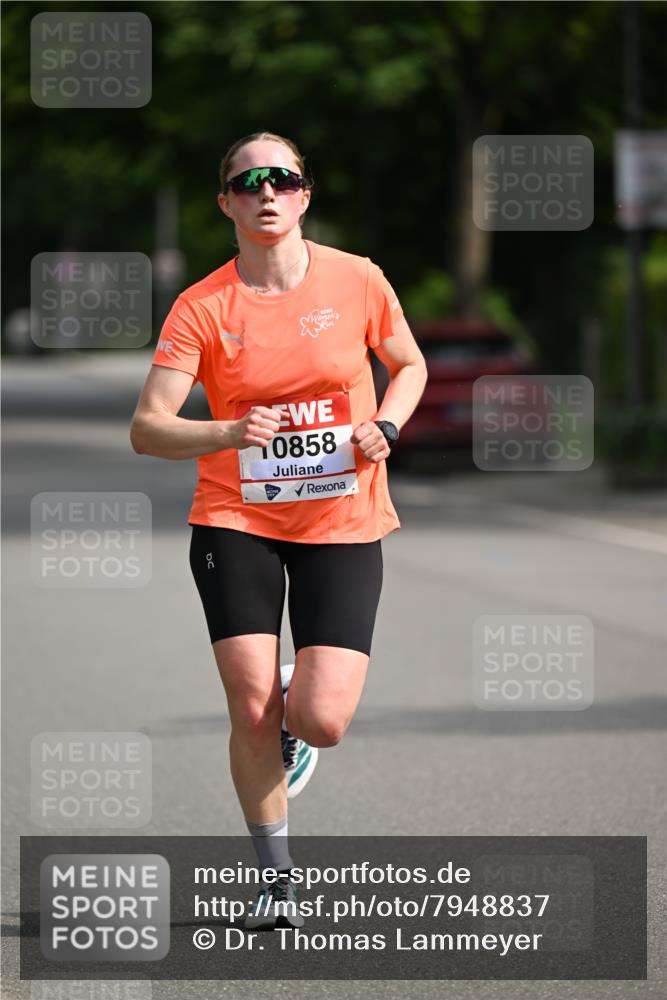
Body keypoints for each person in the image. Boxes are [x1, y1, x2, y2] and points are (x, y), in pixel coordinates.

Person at [130, 131, 427, 928]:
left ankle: (296, 702)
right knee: (250, 708)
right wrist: (227, 432)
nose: (267, 191)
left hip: (342, 514)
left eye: (282, 179)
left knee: (320, 720)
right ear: (225, 202)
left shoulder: (357, 279)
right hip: (236, 518)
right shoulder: (203, 305)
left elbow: (408, 365)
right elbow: (149, 428)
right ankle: (277, 883)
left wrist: (387, 425)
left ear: (303, 195)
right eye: (248, 181)